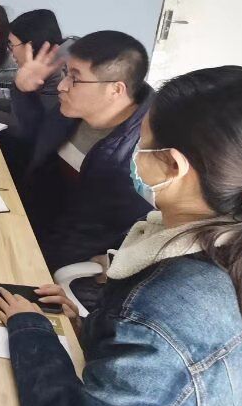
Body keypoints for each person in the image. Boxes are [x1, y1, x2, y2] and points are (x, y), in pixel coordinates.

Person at [0, 66, 242, 406]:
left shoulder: (172, 304)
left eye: (142, 142)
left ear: (173, 165)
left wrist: (32, 331)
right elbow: (183, 376)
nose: (134, 154)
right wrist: (88, 326)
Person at [10, 30, 153, 275]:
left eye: (75, 78)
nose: (62, 86)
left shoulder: (138, 161)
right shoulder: (73, 111)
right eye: (65, 73)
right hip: (28, 224)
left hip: (50, 262)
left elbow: (87, 237)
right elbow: (37, 140)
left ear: (115, 90)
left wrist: (29, 262)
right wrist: (24, 92)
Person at [0, 8, 71, 128]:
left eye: (12, 44)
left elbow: (31, 125)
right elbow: (25, 108)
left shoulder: (55, 73)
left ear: (30, 46)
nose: (10, 50)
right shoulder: (37, 67)